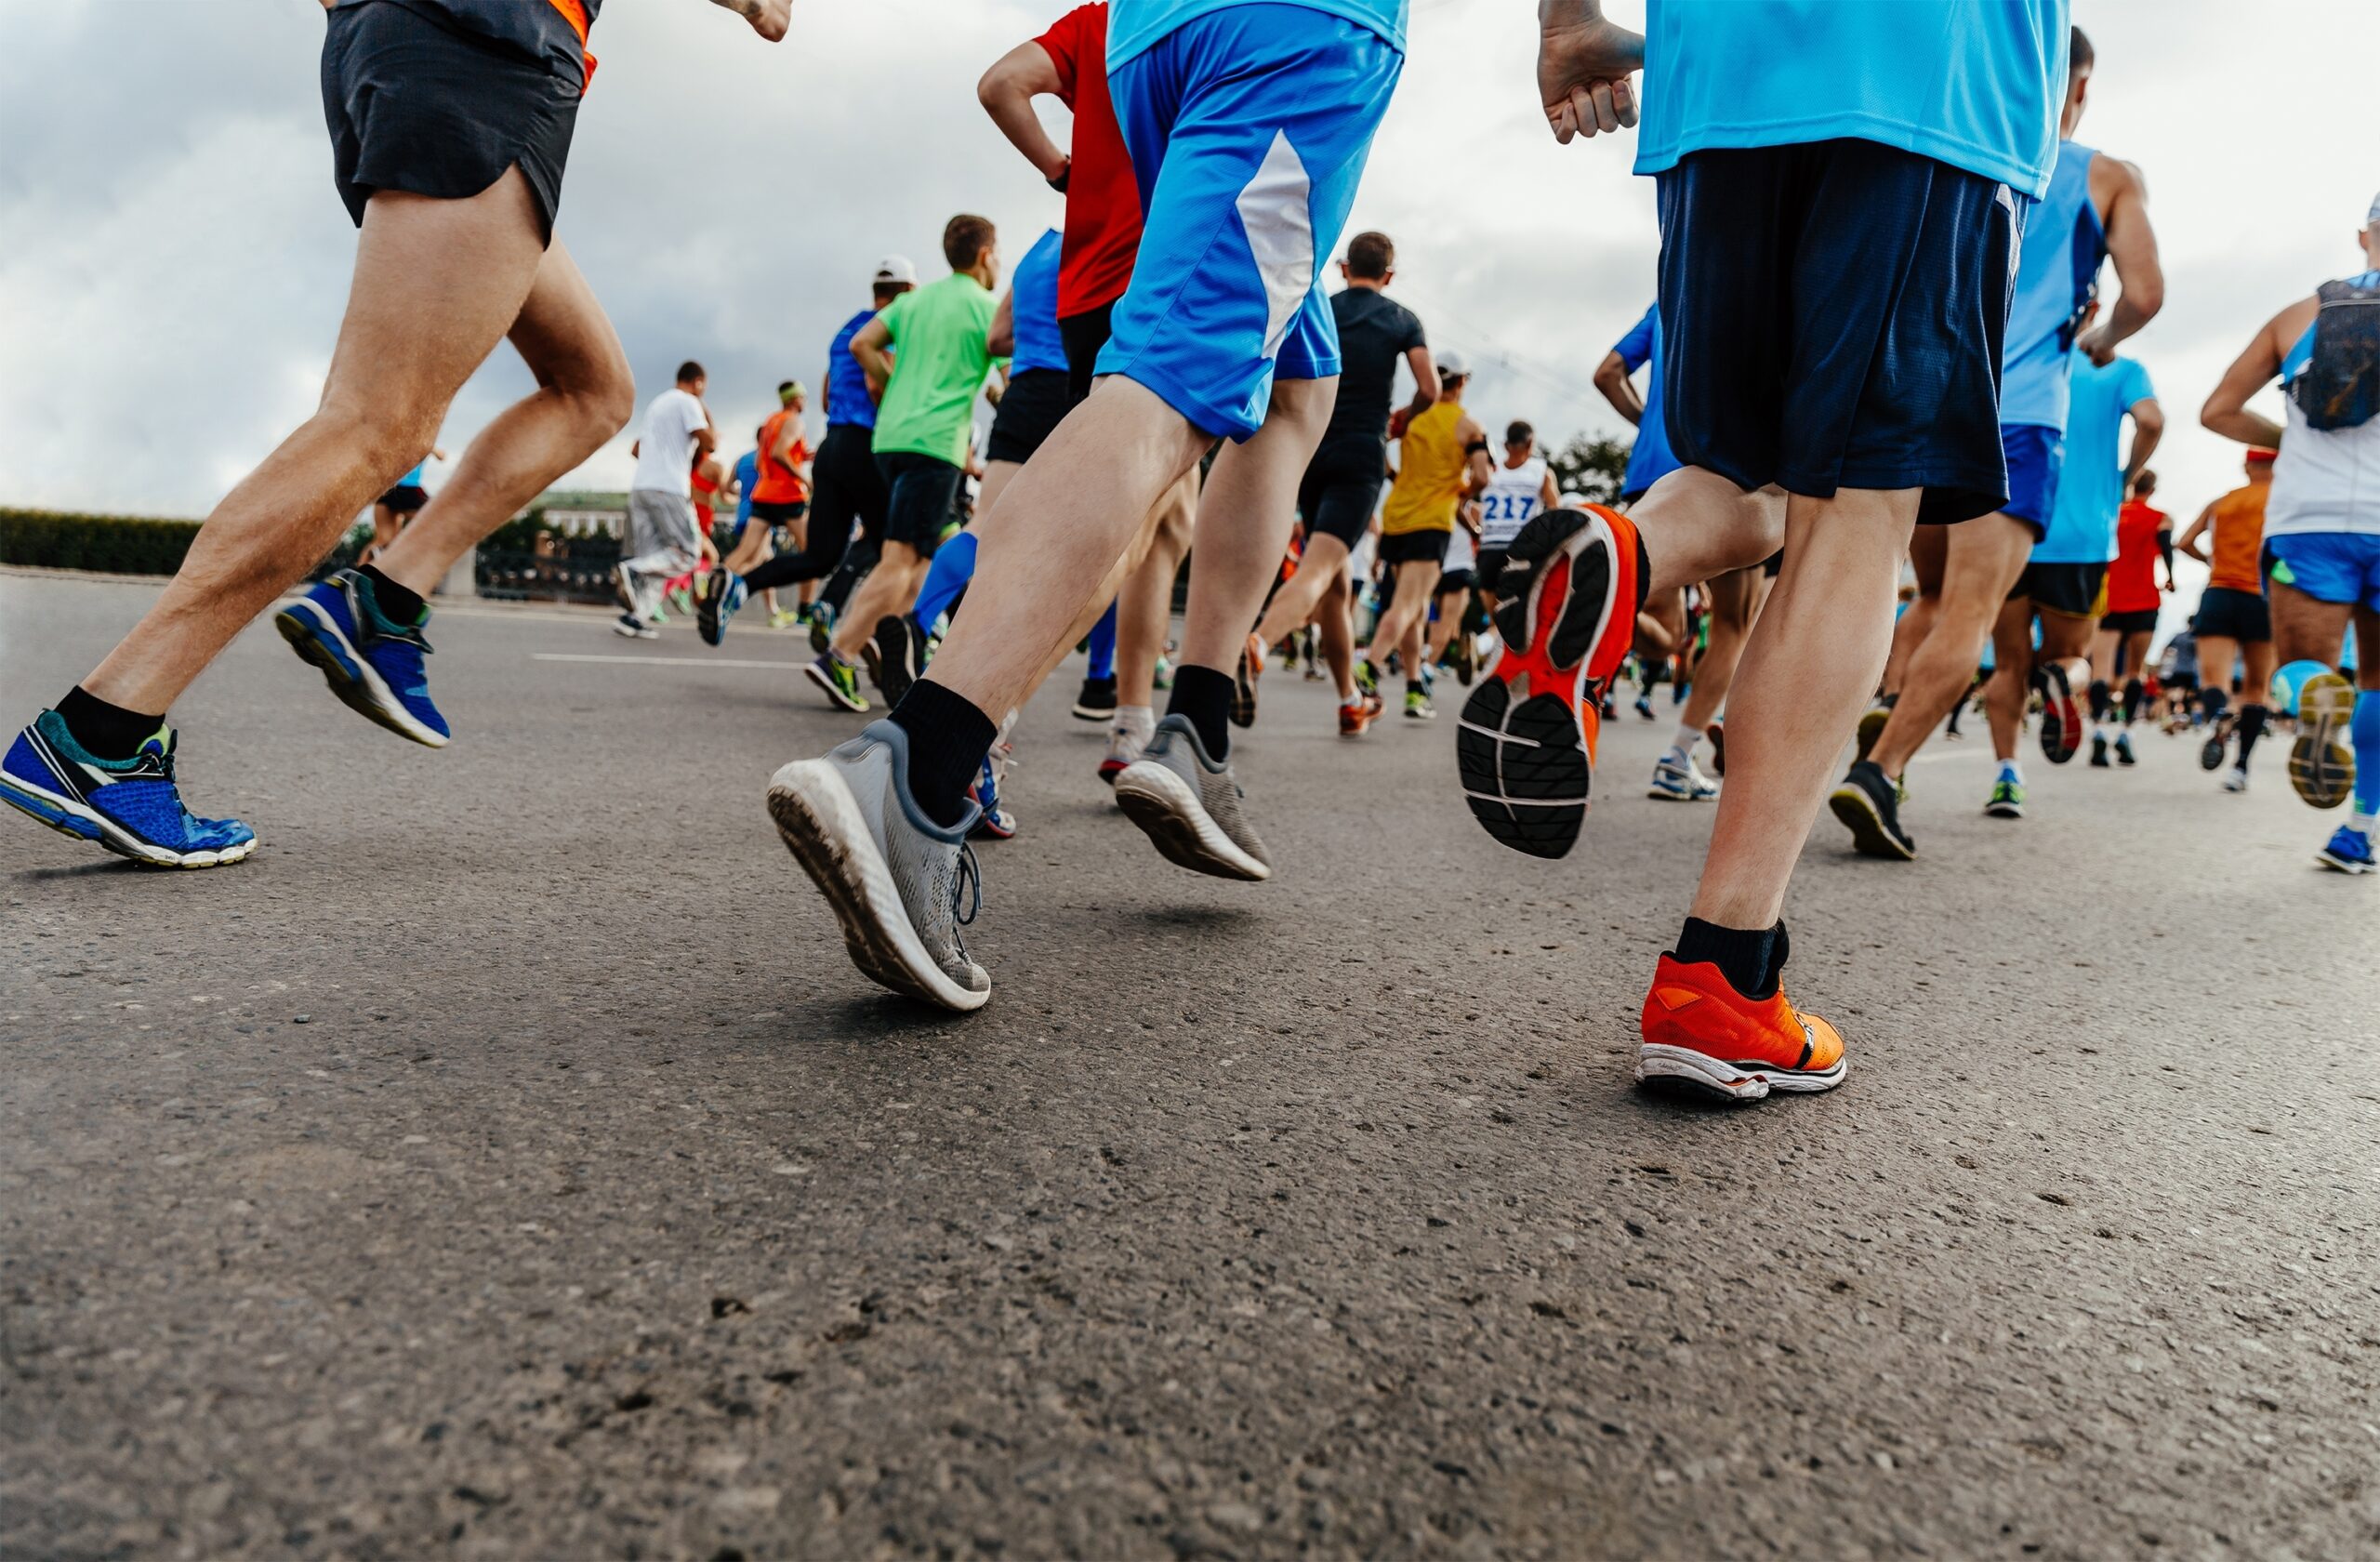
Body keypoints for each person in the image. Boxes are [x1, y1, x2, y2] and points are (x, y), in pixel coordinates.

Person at [0, 0, 788, 867]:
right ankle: (102, 732)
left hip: (422, 45)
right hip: (486, 52)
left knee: (594, 391)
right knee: (377, 424)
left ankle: (386, 598)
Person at [1460, 0, 2066, 1101]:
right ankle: (1721, 979)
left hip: (1717, 86)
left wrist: (1569, 23)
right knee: (1859, 514)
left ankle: (1619, 547)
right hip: (1931, 83)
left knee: (1752, 476)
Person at [767, 0, 1408, 1011]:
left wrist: (1059, 166)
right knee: (1169, 394)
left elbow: (1003, 81)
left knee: (1297, 387)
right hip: (1299, 25)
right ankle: (917, 768)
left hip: (1145, 44)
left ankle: (1196, 727)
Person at [1829, 24, 2160, 848]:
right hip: (2019, 415)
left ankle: (1886, 701)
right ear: (2079, 87)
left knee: (1926, 595)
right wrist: (2101, 337)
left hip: (1922, 396)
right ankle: (1882, 771)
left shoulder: (1960, 148)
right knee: (1971, 614)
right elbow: (2146, 294)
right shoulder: (2104, 175)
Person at [980, 1, 1196, 776]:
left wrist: (1058, 168)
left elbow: (1000, 85)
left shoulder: (1099, 21)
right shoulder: (1199, 17)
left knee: (1131, 511)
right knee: (1144, 521)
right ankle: (986, 714)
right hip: (1159, 276)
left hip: (1087, 291)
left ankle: (1116, 717)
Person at [2199, 198, 2380, 871]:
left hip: (2309, 521)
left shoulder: (2301, 314)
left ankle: (2309, 694)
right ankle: (2359, 831)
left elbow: (2218, 410)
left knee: (2304, 666)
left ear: (2365, 235)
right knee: (2378, 682)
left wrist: (2290, 439)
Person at [804, 217, 1001, 714]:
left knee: (922, 557)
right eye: (997, 253)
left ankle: (896, 642)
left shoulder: (913, 302)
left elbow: (861, 344)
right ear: (985, 255)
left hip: (890, 437)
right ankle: (840, 654)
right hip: (936, 443)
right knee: (901, 557)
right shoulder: (987, 308)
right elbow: (1007, 377)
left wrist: (893, 385)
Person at [1247, 231, 1435, 735]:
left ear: (1344, 268)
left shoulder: (1322, 309)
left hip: (1311, 448)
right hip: (1360, 454)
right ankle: (1258, 644)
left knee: (1332, 586)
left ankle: (1351, 701)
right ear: (1388, 275)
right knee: (1318, 569)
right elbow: (1429, 387)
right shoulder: (1402, 320)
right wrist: (1402, 419)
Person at [719, 260, 915, 651]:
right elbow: (877, 386)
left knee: (821, 556)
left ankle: (740, 585)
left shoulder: (845, 329)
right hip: (866, 445)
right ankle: (873, 643)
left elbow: (826, 398)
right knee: (895, 552)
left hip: (832, 447)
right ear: (907, 291)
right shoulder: (889, 324)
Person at [1595, 301, 1744, 801]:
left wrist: (1648, 424)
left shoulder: (1666, 298)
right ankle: (1679, 758)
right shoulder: (1770, 274)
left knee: (1663, 634)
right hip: (1725, 468)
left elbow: (1607, 374)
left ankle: (1593, 598)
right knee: (1733, 624)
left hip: (1650, 471)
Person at [2029, 329, 2162, 771]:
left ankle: (2011, 768)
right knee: (2105, 666)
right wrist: (2124, 476)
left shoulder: (2029, 355)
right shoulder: (2156, 518)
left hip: (2023, 523)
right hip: (2100, 561)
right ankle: (2119, 730)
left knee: (2027, 663)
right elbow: (2151, 421)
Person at [1357, 351, 1490, 721]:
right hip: (1432, 521)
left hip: (1397, 516)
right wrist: (1459, 491)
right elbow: (1483, 476)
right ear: (1461, 381)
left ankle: (1415, 688)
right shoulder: (1467, 425)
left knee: (1414, 611)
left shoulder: (1410, 415)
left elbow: (1379, 444)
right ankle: (1369, 665)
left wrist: (1396, 478)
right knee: (1405, 606)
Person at [2176, 447, 2279, 790]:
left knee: (2213, 680)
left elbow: (2184, 542)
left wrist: (2210, 560)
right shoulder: (2280, 500)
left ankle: (2219, 715)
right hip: (2262, 596)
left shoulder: (2221, 502)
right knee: (2256, 688)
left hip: (2219, 592)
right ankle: (2241, 768)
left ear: (2247, 466)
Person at [611, 363, 717, 639]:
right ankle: (632, 571)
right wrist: (704, 410)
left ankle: (634, 619)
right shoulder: (688, 401)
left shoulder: (658, 404)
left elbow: (636, 449)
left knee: (657, 560)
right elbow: (710, 443)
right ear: (698, 382)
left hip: (641, 489)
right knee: (688, 555)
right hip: (669, 489)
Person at [702, 383, 811, 642]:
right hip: (785, 496)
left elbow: (731, 485)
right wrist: (804, 478)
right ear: (796, 398)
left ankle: (715, 589)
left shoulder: (763, 432)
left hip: (754, 503)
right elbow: (779, 453)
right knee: (811, 553)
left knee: (748, 553)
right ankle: (803, 613)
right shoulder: (793, 422)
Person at [2092, 469, 2173, 761]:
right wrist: (2171, 577)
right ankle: (2126, 733)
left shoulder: (2113, 514)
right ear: (2153, 489)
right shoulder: (2160, 518)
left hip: (2109, 600)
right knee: (2135, 671)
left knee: (2100, 670)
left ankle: (2098, 730)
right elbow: (2166, 548)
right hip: (2144, 600)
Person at [361, 446, 446, 565]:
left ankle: (418, 561)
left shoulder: (424, 442)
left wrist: (429, 447)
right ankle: (359, 570)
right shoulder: (396, 441)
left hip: (410, 492)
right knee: (384, 539)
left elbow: (442, 456)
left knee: (434, 523)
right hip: (389, 490)